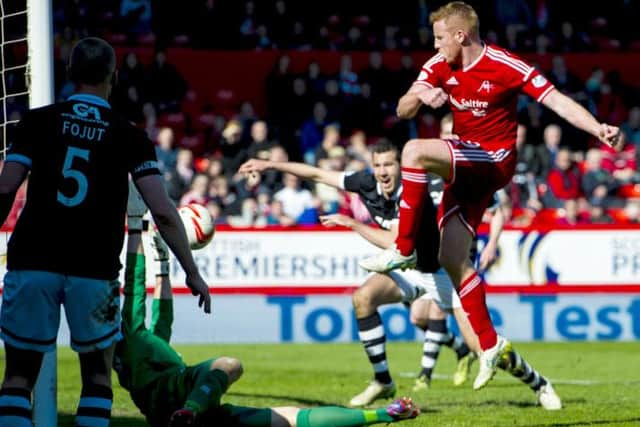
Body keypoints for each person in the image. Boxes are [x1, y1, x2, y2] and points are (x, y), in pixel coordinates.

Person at [359, 1, 621, 391]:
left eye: (439, 38)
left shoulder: (505, 64)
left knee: (413, 152)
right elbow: (402, 108)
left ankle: (404, 247)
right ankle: (489, 345)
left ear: (460, 35)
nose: (435, 46)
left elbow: (555, 100)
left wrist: (597, 127)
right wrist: (421, 98)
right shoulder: (439, 67)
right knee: (452, 260)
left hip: (494, 160)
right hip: (465, 171)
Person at [238, 141, 561, 410]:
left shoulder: (419, 187)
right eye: (378, 166)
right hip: (410, 271)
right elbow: (317, 173)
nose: (383, 172)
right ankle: (383, 380)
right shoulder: (366, 183)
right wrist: (271, 167)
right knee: (363, 298)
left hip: (444, 273)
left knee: (483, 349)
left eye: (390, 165)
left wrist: (352, 223)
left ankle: (540, 383)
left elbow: (395, 243)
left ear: (400, 165)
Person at [0, 37, 210, 427]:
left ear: (68, 73)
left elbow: (5, 189)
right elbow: (162, 211)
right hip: (93, 268)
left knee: (16, 378)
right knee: (97, 378)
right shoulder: (128, 134)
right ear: (114, 76)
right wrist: (192, 271)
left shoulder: (37, 121)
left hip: (33, 259)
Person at [117, 190, 420, 427]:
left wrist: (162, 263)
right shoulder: (132, 336)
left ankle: (383, 414)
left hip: (180, 411)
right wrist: (134, 227)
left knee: (289, 418)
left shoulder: (139, 346)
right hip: (184, 397)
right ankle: (190, 411)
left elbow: (160, 318)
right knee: (228, 365)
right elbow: (133, 288)